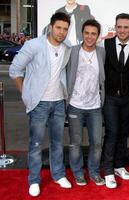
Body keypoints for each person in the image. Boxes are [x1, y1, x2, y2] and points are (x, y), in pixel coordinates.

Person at [9, 12, 72, 197]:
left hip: (59, 103)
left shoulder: (67, 48)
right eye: (59, 28)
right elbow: (15, 70)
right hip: (39, 104)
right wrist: (26, 94)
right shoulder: (34, 45)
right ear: (51, 27)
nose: (61, 32)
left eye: (65, 29)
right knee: (36, 144)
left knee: (57, 143)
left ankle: (58, 175)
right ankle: (34, 180)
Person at [66, 19, 105, 186]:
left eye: (93, 33)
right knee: (75, 143)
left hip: (95, 106)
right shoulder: (72, 51)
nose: (90, 36)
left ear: (98, 36)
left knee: (96, 143)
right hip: (75, 104)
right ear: (82, 34)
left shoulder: (102, 52)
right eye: (87, 33)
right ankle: (78, 173)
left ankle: (94, 172)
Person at [101, 13, 129, 189]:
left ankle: (119, 165)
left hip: (127, 98)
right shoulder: (105, 45)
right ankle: (108, 170)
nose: (122, 30)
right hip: (109, 97)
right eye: (119, 27)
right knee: (112, 132)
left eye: (126, 27)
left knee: (124, 132)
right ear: (115, 27)